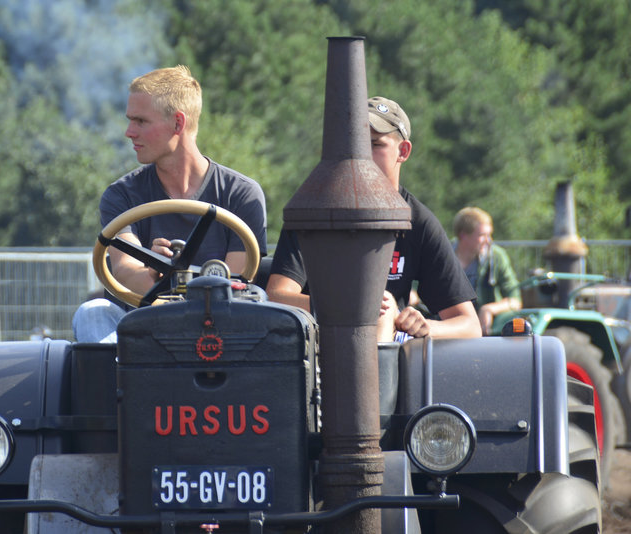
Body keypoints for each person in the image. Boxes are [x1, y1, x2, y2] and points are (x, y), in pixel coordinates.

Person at [73, 65, 268, 342]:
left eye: (141, 121)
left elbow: (235, 288)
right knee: (92, 312)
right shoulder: (121, 196)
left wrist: (181, 281)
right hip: (143, 330)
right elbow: (125, 271)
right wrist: (153, 271)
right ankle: (118, 384)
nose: (129, 132)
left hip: (221, 334)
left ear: (178, 123)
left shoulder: (241, 194)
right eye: (130, 120)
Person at [266, 96, 481, 341]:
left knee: (383, 310)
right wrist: (345, 307)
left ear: (403, 151)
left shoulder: (419, 222)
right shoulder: (315, 212)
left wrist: (425, 326)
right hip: (315, 347)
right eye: (353, 144)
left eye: (374, 144)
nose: (361, 155)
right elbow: (276, 297)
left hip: (389, 349)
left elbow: (469, 325)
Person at [452, 206, 521, 335]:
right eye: (483, 235)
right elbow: (418, 289)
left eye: (489, 235)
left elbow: (515, 300)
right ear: (463, 235)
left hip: (488, 330)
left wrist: (489, 309)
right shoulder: (443, 256)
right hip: (449, 326)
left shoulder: (496, 257)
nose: (489, 241)